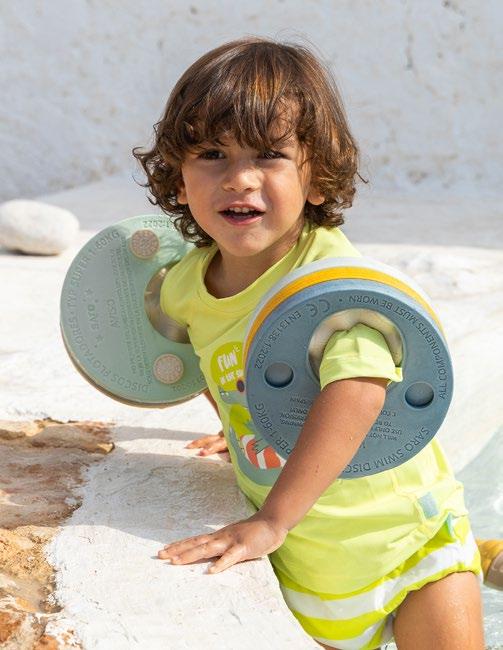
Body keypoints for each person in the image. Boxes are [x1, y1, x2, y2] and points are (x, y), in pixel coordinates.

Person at [133, 37, 486, 649]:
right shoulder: (188, 286)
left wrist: (271, 520)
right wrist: (240, 420)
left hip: (408, 543)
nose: (239, 178)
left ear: (316, 176)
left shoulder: (329, 288)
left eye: (269, 155)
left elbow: (359, 392)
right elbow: (215, 354)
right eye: (212, 153)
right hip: (312, 563)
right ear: (178, 176)